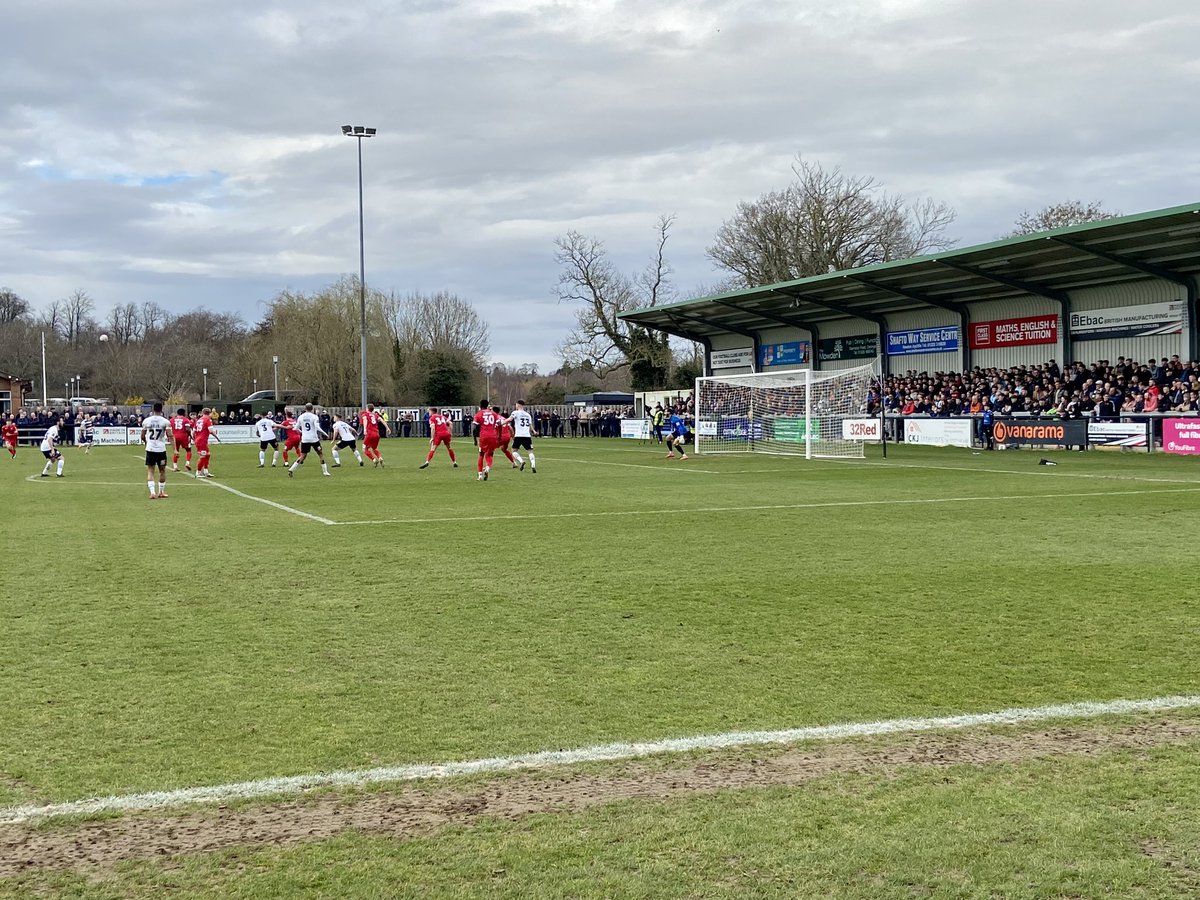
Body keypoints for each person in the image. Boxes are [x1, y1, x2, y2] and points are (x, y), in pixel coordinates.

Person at [140, 402, 173, 499]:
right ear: (161, 409)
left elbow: (142, 435)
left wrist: (146, 442)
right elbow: (170, 435)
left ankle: (152, 493)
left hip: (150, 449)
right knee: (162, 470)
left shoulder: (146, 421)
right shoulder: (165, 421)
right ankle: (161, 492)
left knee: (150, 470)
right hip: (161, 449)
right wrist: (174, 449)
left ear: (153, 409)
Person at [288, 403, 330, 477]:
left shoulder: (301, 417)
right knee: (320, 454)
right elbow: (317, 427)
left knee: (303, 456)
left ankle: (292, 469)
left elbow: (296, 428)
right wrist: (325, 433)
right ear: (312, 408)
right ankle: (325, 472)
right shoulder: (314, 417)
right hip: (314, 439)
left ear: (305, 408)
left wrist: (300, 430)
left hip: (305, 439)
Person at [470, 399, 502, 481]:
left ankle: (480, 475)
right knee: (490, 454)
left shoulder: (478, 414)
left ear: (480, 406)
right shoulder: (493, 413)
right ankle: (487, 468)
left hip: (484, 436)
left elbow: (473, 428)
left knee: (481, 454)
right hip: (493, 436)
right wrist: (499, 435)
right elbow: (499, 424)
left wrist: (474, 439)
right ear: (487, 405)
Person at [504, 399, 538, 473]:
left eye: (516, 404)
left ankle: (521, 461)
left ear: (518, 405)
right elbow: (530, 425)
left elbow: (509, 420)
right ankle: (533, 465)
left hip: (518, 435)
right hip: (527, 435)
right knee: (530, 451)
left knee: (513, 451)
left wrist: (501, 423)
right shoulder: (528, 414)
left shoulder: (515, 413)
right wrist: (534, 431)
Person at [193, 407, 217, 478]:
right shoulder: (208, 419)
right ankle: (198, 472)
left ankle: (206, 471)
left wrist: (194, 439)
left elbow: (193, 431)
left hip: (199, 440)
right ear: (210, 413)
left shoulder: (199, 420)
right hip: (202, 440)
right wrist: (216, 436)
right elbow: (211, 430)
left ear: (203, 413)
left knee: (208, 454)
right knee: (203, 455)